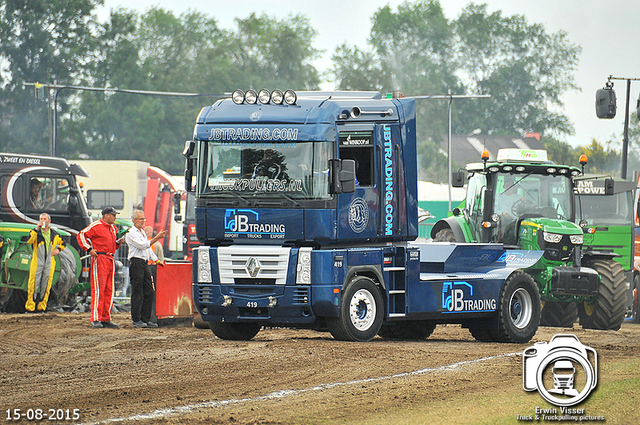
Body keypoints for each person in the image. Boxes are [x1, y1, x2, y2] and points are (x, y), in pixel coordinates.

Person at [77, 206, 124, 329]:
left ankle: (105, 317)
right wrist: (88, 249)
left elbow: (113, 245)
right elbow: (81, 234)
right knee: (99, 289)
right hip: (100, 258)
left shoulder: (113, 228)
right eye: (113, 215)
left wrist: (118, 243)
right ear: (106, 215)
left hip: (110, 258)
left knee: (109, 289)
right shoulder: (96, 226)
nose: (115, 217)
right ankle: (96, 318)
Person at [126, 210, 166, 328]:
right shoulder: (131, 233)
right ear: (134, 220)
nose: (143, 221)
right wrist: (157, 238)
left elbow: (148, 250)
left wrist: (157, 260)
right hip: (136, 262)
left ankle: (145, 318)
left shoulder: (142, 232)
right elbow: (143, 246)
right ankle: (136, 319)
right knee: (137, 291)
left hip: (144, 262)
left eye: (144, 219)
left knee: (149, 291)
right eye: (141, 219)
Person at [25, 213, 66, 312]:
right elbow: (29, 241)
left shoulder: (54, 234)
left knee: (46, 284)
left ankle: (41, 307)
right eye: (41, 219)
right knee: (33, 284)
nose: (43, 220)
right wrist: (36, 229)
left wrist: (58, 250)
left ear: (49, 221)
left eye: (44, 219)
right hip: (37, 261)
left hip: (49, 261)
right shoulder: (36, 232)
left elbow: (63, 243)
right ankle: (31, 307)